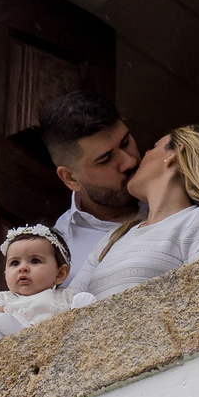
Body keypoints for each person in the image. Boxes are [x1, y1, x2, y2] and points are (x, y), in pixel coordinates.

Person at [69, 124, 199, 300]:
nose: (134, 162)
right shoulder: (114, 237)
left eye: (152, 148)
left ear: (174, 154)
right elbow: (67, 302)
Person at [0, 225, 95, 363]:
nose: (23, 268)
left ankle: (82, 312)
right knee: (1, 326)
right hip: (15, 347)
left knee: (73, 322)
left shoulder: (65, 295)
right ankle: (19, 334)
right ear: (5, 273)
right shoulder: (4, 299)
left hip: (55, 338)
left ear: (60, 274)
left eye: (34, 261)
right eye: (15, 263)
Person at [38, 91, 143, 285]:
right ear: (70, 178)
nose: (129, 161)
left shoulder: (187, 196)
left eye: (126, 142)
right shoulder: (55, 255)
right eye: (105, 159)